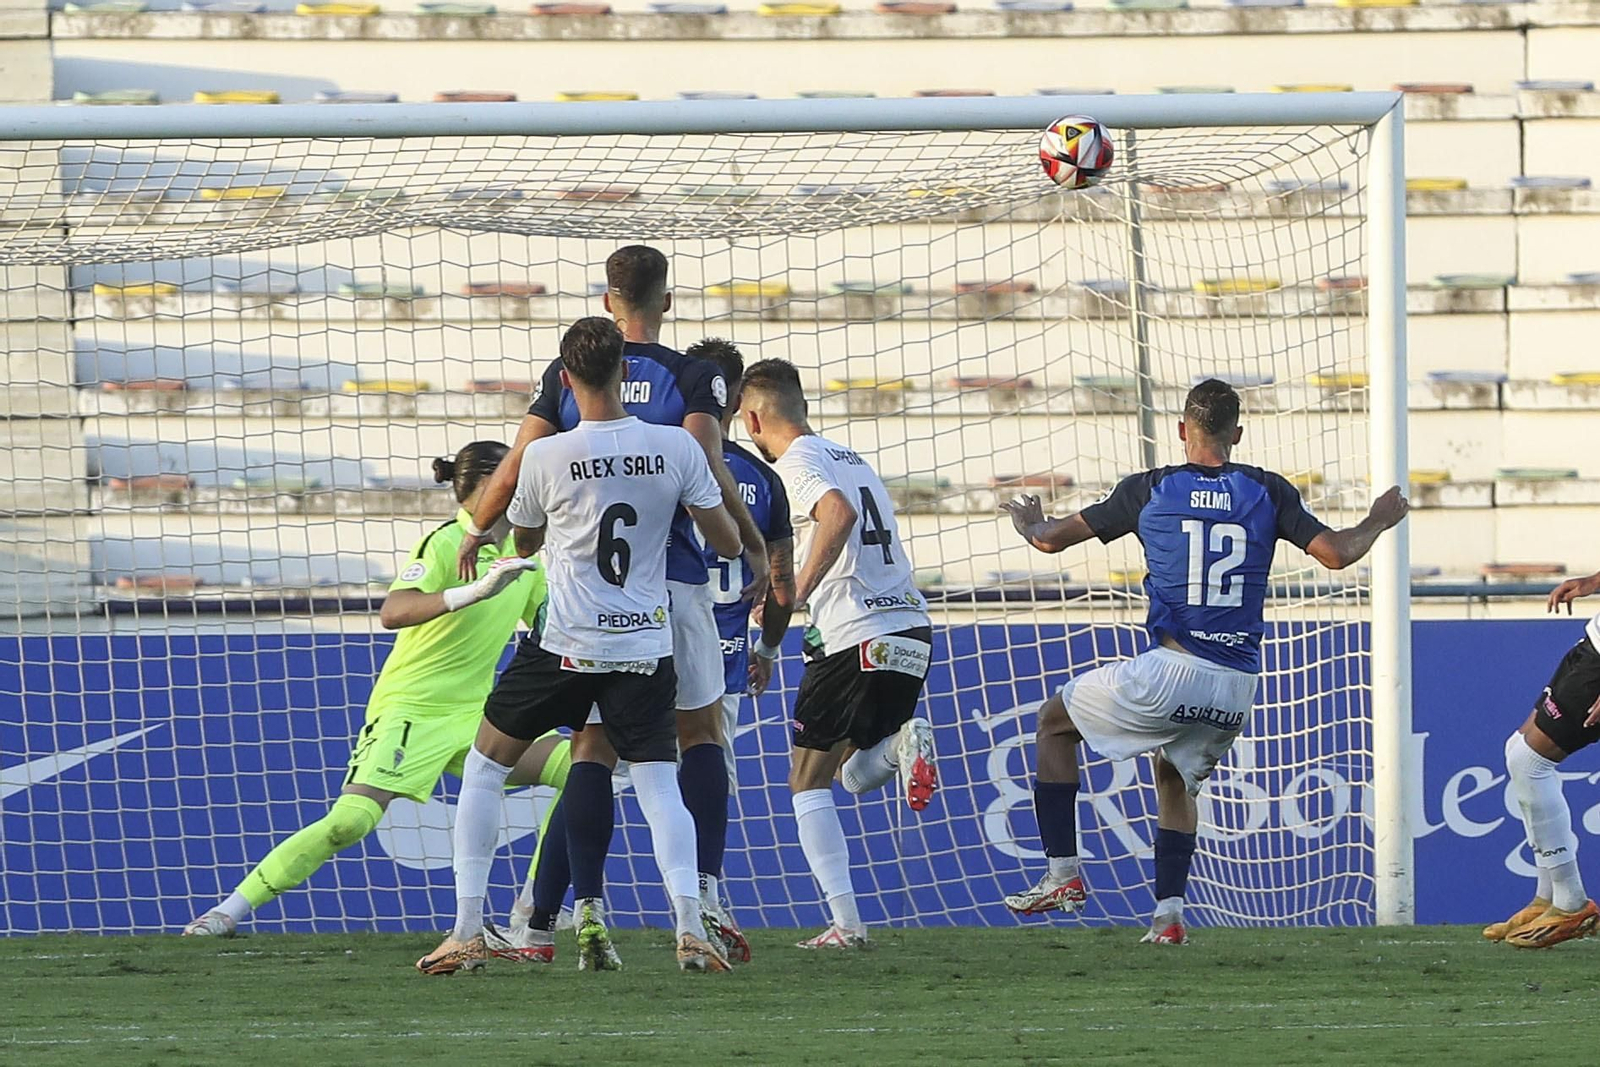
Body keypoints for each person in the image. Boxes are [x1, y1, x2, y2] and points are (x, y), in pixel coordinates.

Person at [998, 378, 1410, 944]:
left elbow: (1049, 540)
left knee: (1053, 724)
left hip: (1172, 668)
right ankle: (1168, 916)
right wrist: (1380, 518)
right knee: (1174, 777)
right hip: (1236, 683)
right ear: (1237, 434)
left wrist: (1028, 521)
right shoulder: (1267, 489)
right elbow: (1338, 554)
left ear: (1180, 430)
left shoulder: (1150, 488)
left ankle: (1062, 874)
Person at [457, 246, 768, 954]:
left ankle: (556, 913)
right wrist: (753, 544)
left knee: (587, 748)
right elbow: (713, 473)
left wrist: (480, 528)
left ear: (606, 300)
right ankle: (702, 905)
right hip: (668, 601)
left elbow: (515, 469)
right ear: (667, 300)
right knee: (693, 742)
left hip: (579, 618)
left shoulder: (555, 406)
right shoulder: (692, 381)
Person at [182, 443, 564, 941]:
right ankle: (226, 912)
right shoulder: (448, 543)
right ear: (484, 487)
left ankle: (533, 910)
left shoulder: (521, 555)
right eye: (510, 480)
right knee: (351, 822)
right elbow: (394, 611)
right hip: (412, 710)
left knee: (582, 769)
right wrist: (469, 593)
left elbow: (548, 620)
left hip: (479, 717)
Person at [737, 358, 939, 950]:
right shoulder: (852, 457)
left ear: (753, 417)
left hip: (855, 631)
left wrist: (795, 589)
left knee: (806, 781)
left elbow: (838, 515)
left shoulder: (796, 463)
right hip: (910, 629)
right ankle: (904, 744)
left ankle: (847, 925)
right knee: (852, 774)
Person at [1481, 571, 1600, 948]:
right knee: (1517, 752)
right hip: (1593, 647)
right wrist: (1594, 582)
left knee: (1531, 762)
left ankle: (1570, 902)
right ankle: (1548, 895)